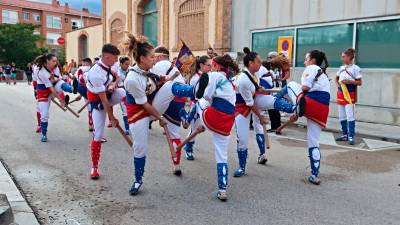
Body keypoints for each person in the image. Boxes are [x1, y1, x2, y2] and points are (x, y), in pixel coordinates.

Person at [122, 34, 209, 196]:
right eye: (151, 57)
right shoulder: (132, 79)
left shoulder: (151, 69)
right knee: (139, 148)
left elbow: (162, 81)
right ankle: (137, 180)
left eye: (155, 56)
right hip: (139, 114)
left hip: (154, 104)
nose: (154, 60)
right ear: (141, 58)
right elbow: (144, 104)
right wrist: (160, 118)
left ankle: (193, 91)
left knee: (170, 85)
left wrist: (171, 79)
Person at [273, 50, 330, 185]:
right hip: (322, 110)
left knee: (292, 85)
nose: (305, 62)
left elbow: (304, 87)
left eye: (306, 59)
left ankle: (277, 101)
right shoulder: (322, 74)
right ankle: (315, 174)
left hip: (311, 103)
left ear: (312, 59)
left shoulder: (311, 68)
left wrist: (294, 101)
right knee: (313, 141)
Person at [86, 44, 125, 179]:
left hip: (109, 94)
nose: (116, 61)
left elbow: (118, 78)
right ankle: (94, 167)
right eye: (115, 58)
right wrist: (112, 118)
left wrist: (113, 84)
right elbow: (104, 101)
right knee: (98, 135)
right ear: (107, 57)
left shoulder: (111, 65)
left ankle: (135, 115)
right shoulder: (96, 73)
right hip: (98, 102)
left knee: (123, 92)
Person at [233, 48, 269, 177]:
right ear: (250, 63)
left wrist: (259, 88)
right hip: (241, 109)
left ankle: (262, 154)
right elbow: (249, 103)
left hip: (251, 103)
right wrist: (261, 117)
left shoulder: (255, 74)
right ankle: (242, 167)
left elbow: (254, 87)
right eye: (258, 61)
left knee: (258, 128)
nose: (261, 63)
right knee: (242, 138)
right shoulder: (243, 79)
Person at [151, 46, 186, 175]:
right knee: (175, 134)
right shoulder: (174, 67)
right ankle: (176, 164)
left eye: (154, 57)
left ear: (160, 56)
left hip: (169, 99)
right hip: (180, 100)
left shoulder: (161, 64)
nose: (153, 59)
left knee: (147, 114)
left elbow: (153, 84)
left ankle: (155, 117)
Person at [36, 54, 77, 142]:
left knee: (61, 84)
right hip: (43, 90)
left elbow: (58, 79)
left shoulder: (56, 68)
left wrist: (56, 81)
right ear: (47, 61)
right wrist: (60, 99)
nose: (56, 63)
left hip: (54, 85)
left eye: (56, 60)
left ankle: (72, 89)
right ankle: (44, 134)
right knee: (44, 115)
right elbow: (50, 87)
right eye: (53, 61)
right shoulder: (41, 72)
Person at [182, 55, 212, 160]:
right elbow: (195, 95)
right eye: (208, 65)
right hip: (197, 105)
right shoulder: (195, 78)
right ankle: (188, 149)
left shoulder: (209, 75)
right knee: (194, 129)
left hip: (206, 105)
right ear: (201, 65)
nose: (210, 67)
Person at [335, 48, 362, 145]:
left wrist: (349, 82)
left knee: (350, 115)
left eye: (343, 56)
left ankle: (351, 136)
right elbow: (337, 78)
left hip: (350, 94)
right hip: (341, 93)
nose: (342, 58)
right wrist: (338, 84)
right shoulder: (341, 68)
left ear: (349, 57)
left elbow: (359, 82)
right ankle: (345, 134)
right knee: (341, 116)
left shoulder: (356, 68)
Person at [73, 57, 94, 131]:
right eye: (83, 64)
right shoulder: (91, 69)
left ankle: (91, 124)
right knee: (92, 109)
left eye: (84, 64)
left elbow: (79, 80)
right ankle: (92, 124)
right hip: (89, 90)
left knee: (90, 109)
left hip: (86, 90)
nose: (84, 66)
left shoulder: (82, 70)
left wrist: (80, 94)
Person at [117, 56, 131, 134]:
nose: (127, 66)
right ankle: (127, 128)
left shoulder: (130, 70)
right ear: (121, 64)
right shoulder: (117, 72)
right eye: (126, 64)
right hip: (122, 94)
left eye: (128, 64)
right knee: (125, 111)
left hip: (131, 93)